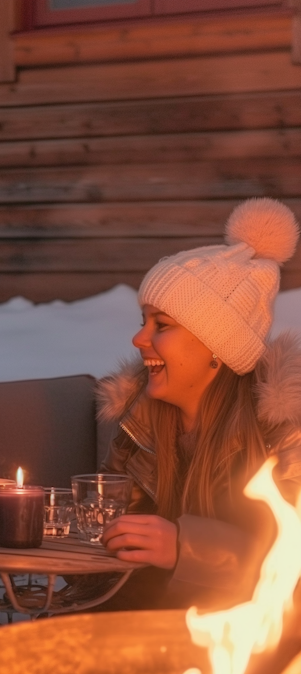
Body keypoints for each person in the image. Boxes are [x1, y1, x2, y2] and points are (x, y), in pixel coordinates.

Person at [97, 196, 301, 610]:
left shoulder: (284, 433)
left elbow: (291, 567)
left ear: (216, 347)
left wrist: (186, 547)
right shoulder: (143, 426)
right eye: (144, 322)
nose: (139, 339)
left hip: (254, 650)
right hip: (156, 633)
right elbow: (106, 539)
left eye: (162, 325)